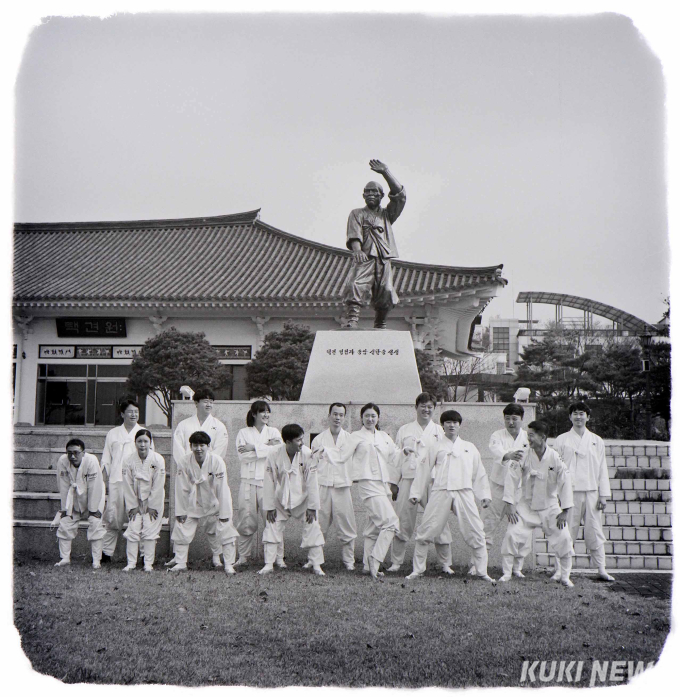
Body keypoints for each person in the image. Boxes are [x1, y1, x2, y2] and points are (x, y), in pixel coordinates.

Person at [407, 410, 495, 582]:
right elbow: (424, 470)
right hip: (441, 490)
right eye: (448, 422)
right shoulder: (436, 446)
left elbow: (479, 472)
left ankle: (482, 571)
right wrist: (416, 493)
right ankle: (417, 570)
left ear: (459, 425)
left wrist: (484, 494)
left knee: (476, 530)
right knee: (426, 530)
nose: (451, 425)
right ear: (443, 426)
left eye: (455, 422)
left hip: (464, 491)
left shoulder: (469, 447)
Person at [500, 420, 575, 587]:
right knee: (512, 534)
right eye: (528, 435)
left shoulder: (555, 457)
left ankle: (565, 576)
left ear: (543, 437)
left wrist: (565, 510)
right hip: (526, 506)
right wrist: (510, 504)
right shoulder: (523, 455)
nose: (529, 439)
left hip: (550, 507)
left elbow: (565, 482)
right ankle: (507, 573)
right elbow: (511, 478)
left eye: (532, 435)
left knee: (564, 537)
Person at [388, 392, 453, 574]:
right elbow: (396, 457)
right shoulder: (405, 430)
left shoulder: (440, 431)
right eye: (423, 406)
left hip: (433, 481)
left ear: (434, 409)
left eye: (430, 406)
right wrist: (394, 483)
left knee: (439, 520)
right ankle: (396, 562)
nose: (426, 409)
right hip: (409, 479)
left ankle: (445, 563)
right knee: (403, 520)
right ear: (416, 407)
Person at [553, 402, 615, 581]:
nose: (578, 417)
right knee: (566, 532)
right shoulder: (561, 440)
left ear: (588, 417)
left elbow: (602, 468)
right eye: (575, 413)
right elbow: (555, 468)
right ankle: (560, 571)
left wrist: (603, 495)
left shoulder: (596, 440)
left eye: (582, 414)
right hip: (568, 492)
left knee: (595, 530)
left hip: (591, 492)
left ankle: (601, 569)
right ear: (570, 416)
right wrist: (557, 494)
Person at [342, 159, 406, 329]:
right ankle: (352, 319)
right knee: (355, 284)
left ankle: (380, 321)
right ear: (363, 195)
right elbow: (354, 233)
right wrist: (357, 250)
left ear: (381, 196)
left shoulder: (387, 215)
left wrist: (386, 172)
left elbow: (400, 196)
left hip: (383, 257)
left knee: (386, 290)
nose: (370, 194)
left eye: (374, 192)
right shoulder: (357, 213)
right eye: (367, 192)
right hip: (365, 255)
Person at [171, 387, 229, 567]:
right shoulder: (184, 425)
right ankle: (179, 559)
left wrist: (205, 469)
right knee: (184, 521)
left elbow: (218, 453)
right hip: (190, 480)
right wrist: (192, 468)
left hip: (210, 481)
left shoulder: (219, 426)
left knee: (213, 524)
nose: (209, 404)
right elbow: (180, 451)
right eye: (205, 401)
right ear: (196, 403)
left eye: (211, 401)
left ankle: (216, 556)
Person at [260, 424, 325, 576]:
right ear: (288, 442)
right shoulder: (274, 453)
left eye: (302, 439)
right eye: (298, 440)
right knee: (272, 525)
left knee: (313, 525)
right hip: (280, 499)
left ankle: (316, 565)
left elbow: (312, 481)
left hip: (303, 500)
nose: (302, 443)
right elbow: (269, 481)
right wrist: (269, 506)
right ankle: (269, 564)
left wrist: (312, 507)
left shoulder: (307, 454)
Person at [169, 431, 238, 574]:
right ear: (191, 447)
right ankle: (180, 563)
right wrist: (181, 511)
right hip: (192, 501)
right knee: (182, 527)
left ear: (208, 446)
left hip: (214, 501)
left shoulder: (217, 461)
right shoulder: (184, 461)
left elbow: (222, 488)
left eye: (202, 445)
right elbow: (181, 488)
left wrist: (224, 513)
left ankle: (227, 564)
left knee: (225, 529)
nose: (198, 449)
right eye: (195, 445)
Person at [475, 403, 530, 577]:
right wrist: (509, 455)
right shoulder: (497, 435)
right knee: (487, 524)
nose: (511, 422)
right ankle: (477, 565)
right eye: (507, 419)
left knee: (519, 528)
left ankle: (517, 567)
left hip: (519, 490)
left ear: (522, 419)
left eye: (514, 418)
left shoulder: (528, 438)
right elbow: (496, 450)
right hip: (497, 487)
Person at [349, 403, 400, 579]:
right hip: (368, 484)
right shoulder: (355, 436)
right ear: (361, 418)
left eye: (373, 416)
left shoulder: (384, 437)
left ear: (378, 418)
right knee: (391, 523)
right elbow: (342, 455)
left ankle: (366, 565)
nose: (370, 419)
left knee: (373, 528)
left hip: (383, 484)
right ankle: (375, 559)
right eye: (367, 416)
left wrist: (406, 451)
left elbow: (394, 455)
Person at [305, 403, 358, 570]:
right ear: (329, 416)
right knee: (319, 523)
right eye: (335, 414)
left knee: (347, 524)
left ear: (344, 418)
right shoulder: (318, 439)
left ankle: (349, 561)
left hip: (342, 486)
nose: (337, 418)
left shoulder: (350, 439)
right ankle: (313, 559)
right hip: (323, 486)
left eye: (341, 415)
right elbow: (312, 465)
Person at [100, 398, 153, 563]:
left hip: (138, 482)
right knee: (113, 517)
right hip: (116, 480)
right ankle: (106, 553)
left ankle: (143, 555)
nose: (133, 415)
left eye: (136, 412)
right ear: (122, 414)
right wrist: (105, 482)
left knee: (139, 517)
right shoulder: (113, 433)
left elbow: (151, 458)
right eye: (130, 412)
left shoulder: (143, 433)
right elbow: (106, 459)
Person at [234, 401, 283, 566]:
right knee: (245, 519)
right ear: (254, 414)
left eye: (268, 411)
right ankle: (243, 557)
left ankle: (278, 558)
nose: (266, 415)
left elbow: (277, 451)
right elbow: (243, 457)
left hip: (267, 481)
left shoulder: (273, 432)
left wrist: (253, 447)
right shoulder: (243, 432)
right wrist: (266, 447)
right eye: (262, 411)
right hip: (247, 481)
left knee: (272, 519)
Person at [52, 439, 106, 568]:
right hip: (73, 495)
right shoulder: (62, 461)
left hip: (94, 493)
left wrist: (93, 509)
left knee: (95, 522)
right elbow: (63, 485)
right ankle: (65, 558)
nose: (72, 456)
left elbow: (95, 486)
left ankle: (96, 560)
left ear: (83, 452)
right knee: (66, 522)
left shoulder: (91, 461)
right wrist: (65, 508)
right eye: (69, 453)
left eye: (76, 453)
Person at [121, 430, 166, 572]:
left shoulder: (158, 459)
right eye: (139, 441)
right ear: (135, 443)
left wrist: (151, 505)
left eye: (145, 441)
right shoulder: (128, 460)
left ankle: (148, 563)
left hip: (153, 500)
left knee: (150, 530)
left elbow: (158, 485)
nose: (142, 445)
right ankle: (131, 563)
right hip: (135, 499)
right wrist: (133, 505)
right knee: (133, 528)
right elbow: (127, 484)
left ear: (150, 443)